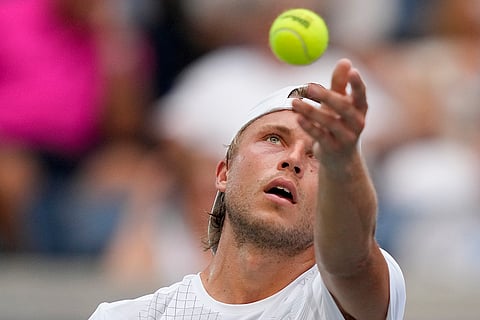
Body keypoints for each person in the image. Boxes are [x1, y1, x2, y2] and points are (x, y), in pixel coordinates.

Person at [88, 58, 406, 319]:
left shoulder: (333, 305)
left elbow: (354, 262)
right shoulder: (127, 316)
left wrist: (344, 162)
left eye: (319, 155)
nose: (293, 159)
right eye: (274, 139)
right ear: (224, 172)